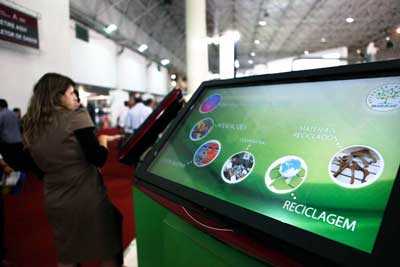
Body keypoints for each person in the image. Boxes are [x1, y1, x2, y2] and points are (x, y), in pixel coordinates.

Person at [22, 73, 123, 267]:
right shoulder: (76, 116)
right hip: (87, 195)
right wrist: (102, 141)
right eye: (71, 93)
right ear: (56, 96)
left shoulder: (30, 124)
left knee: (68, 253)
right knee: (108, 248)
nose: (76, 97)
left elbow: (36, 167)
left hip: (55, 197)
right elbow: (97, 158)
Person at [0, 99, 23, 170]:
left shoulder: (1, 114)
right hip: (18, 143)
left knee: (8, 165)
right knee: (17, 164)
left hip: (7, 144)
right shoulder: (14, 114)